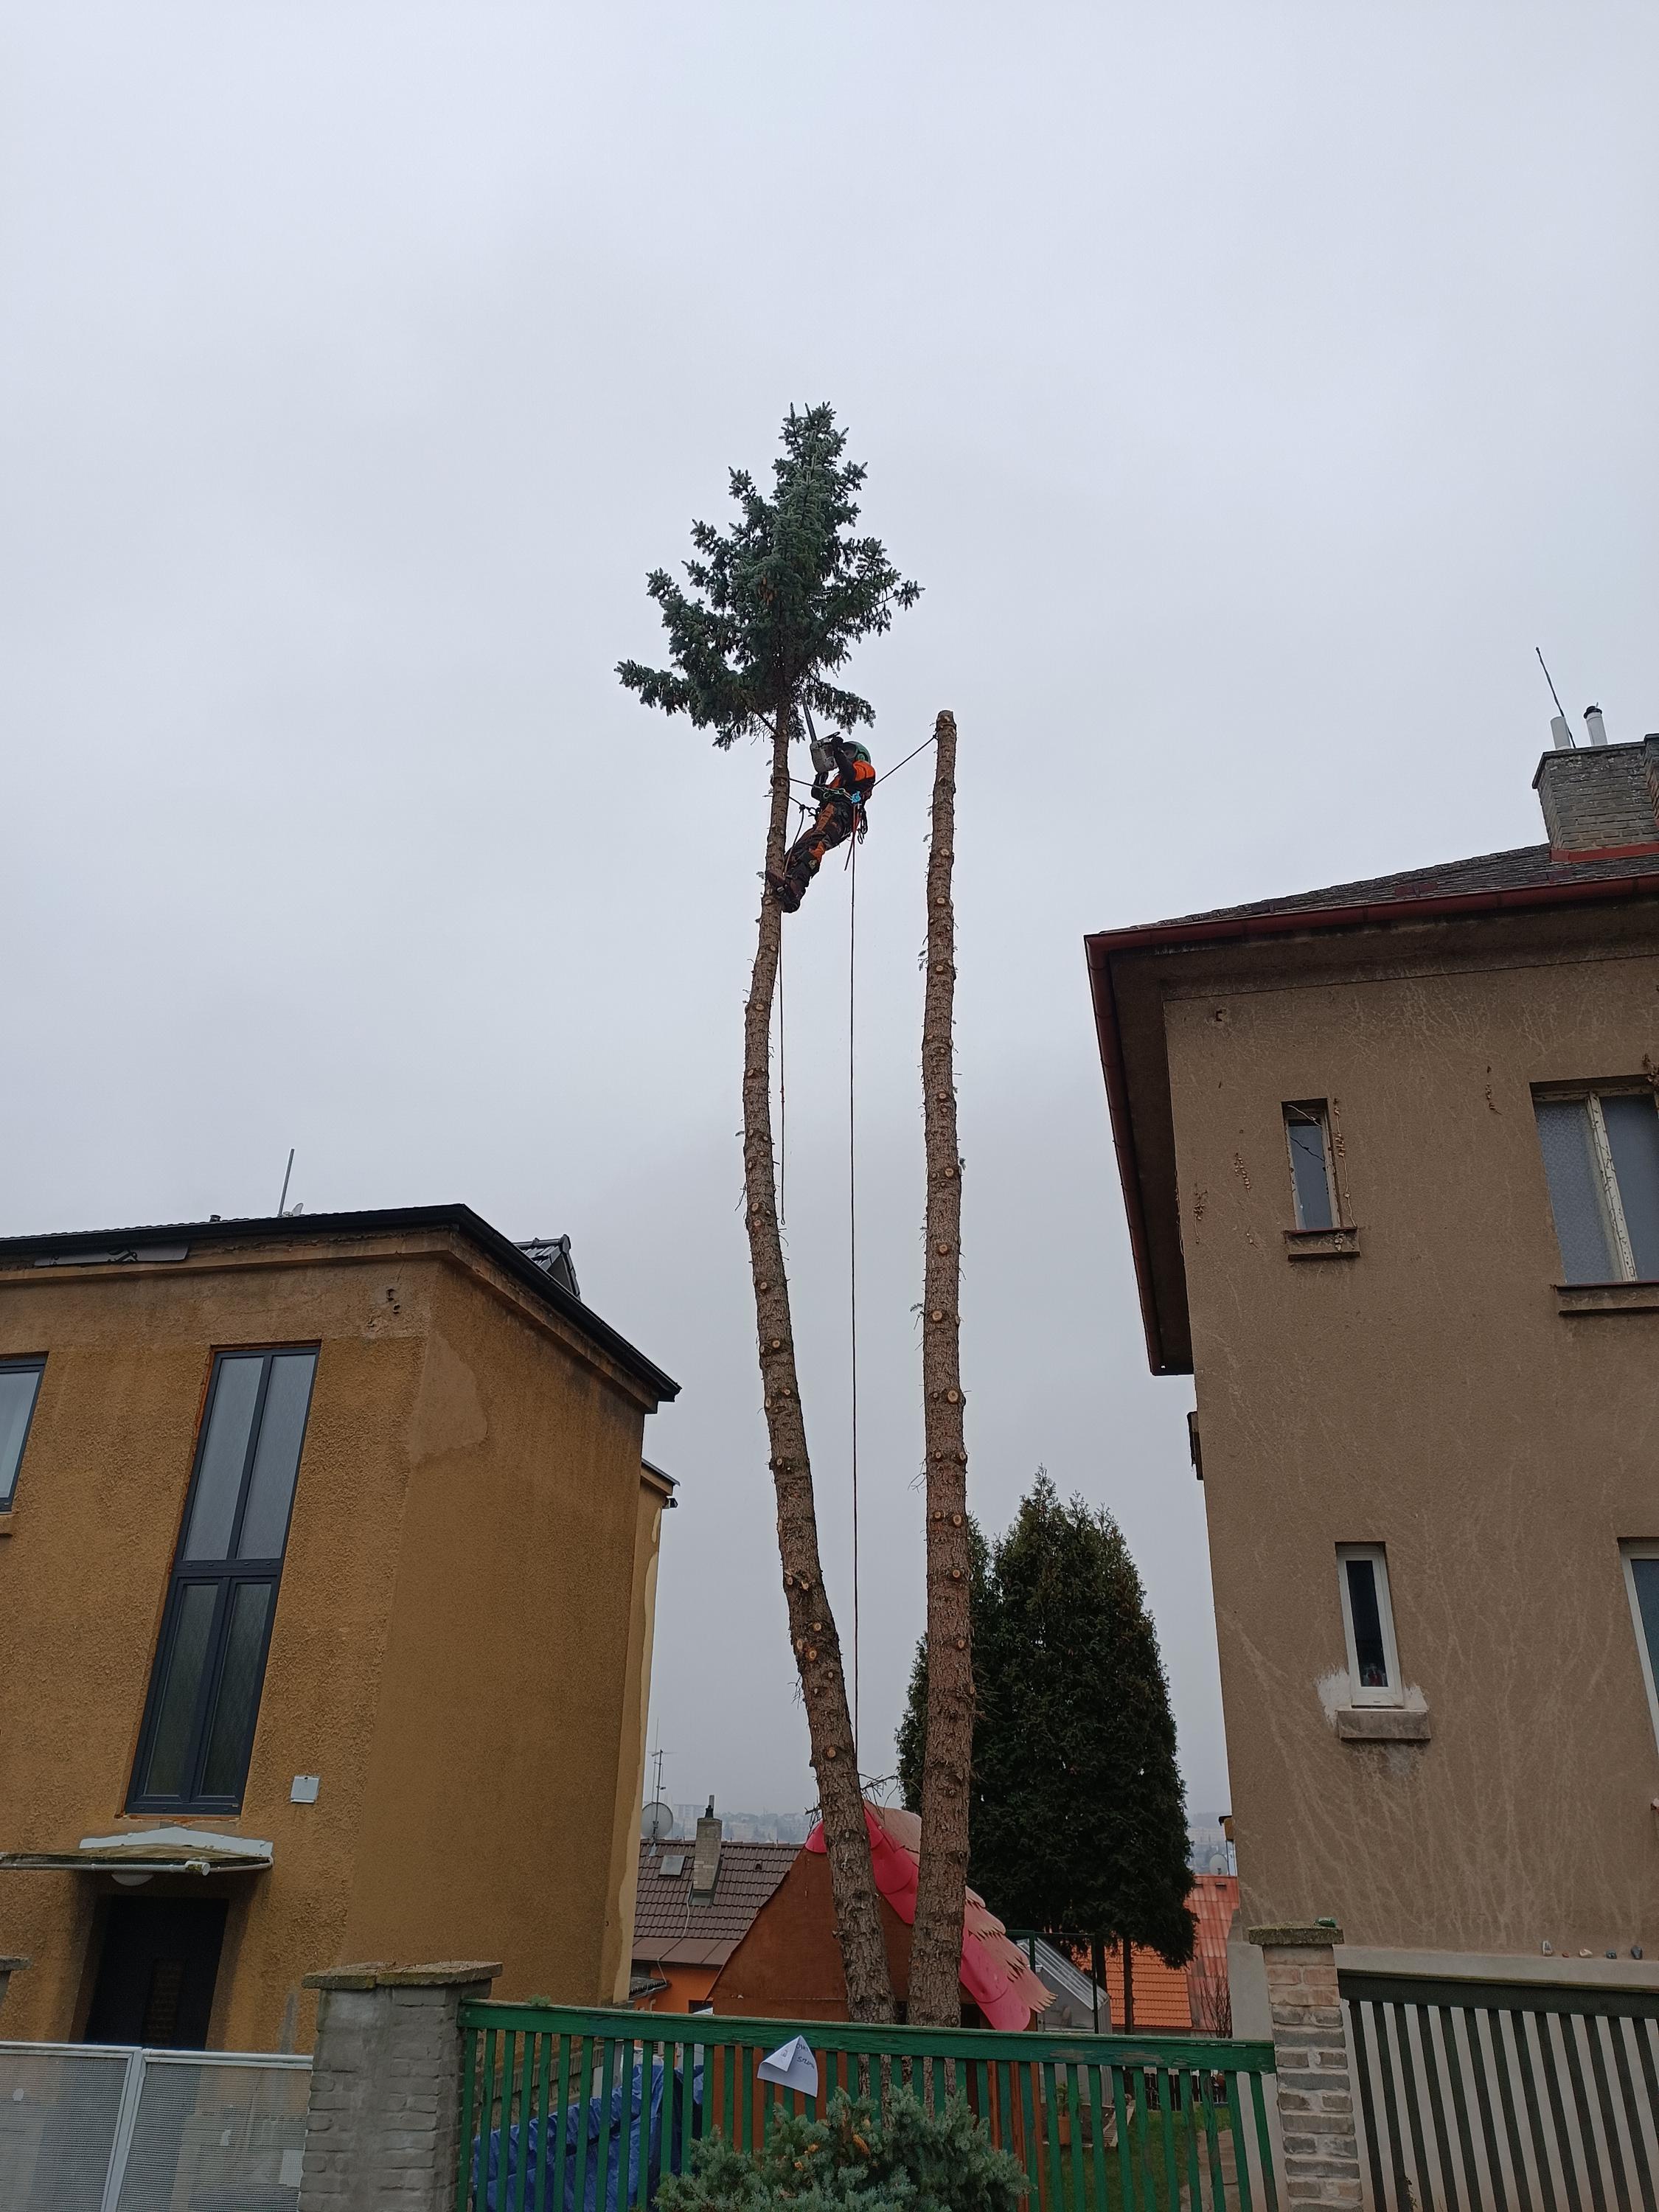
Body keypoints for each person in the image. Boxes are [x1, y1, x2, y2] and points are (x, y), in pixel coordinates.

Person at [769, 727, 875, 912]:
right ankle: (787, 883)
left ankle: (796, 887)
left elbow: (851, 775)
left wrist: (837, 751)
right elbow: (817, 793)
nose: (845, 755)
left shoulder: (865, 769)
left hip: (841, 813)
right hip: (828, 815)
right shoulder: (839, 779)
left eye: (849, 752)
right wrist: (822, 774)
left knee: (816, 845)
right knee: (800, 847)